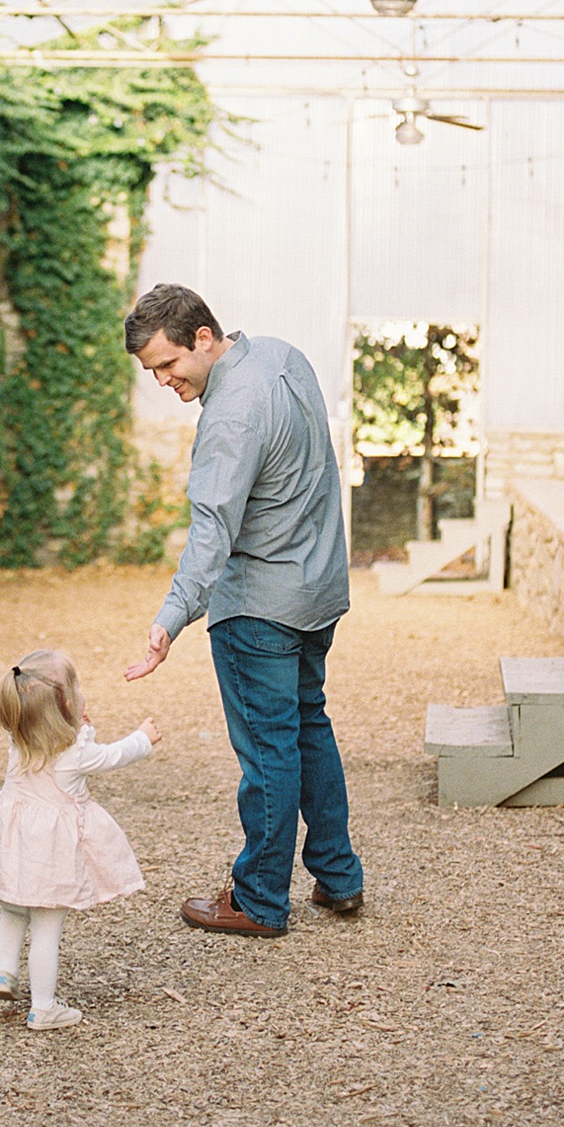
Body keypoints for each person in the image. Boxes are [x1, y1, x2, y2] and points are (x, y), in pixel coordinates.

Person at [122, 281, 363, 937]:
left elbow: (211, 532)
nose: (163, 381)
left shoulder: (230, 415)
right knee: (308, 726)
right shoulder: (284, 356)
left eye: (168, 365)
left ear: (203, 336)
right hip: (317, 590)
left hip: (260, 605)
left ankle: (258, 898)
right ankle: (339, 876)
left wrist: (169, 620)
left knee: (269, 750)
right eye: (151, 372)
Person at [0, 648, 156, 1030]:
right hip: (50, 855)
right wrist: (144, 737)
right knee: (46, 926)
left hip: (14, 845)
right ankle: (43, 1008)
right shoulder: (75, 754)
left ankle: (4, 971)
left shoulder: (18, 741)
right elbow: (113, 756)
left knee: (12, 908)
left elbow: (63, 735)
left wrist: (79, 727)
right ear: (69, 704)